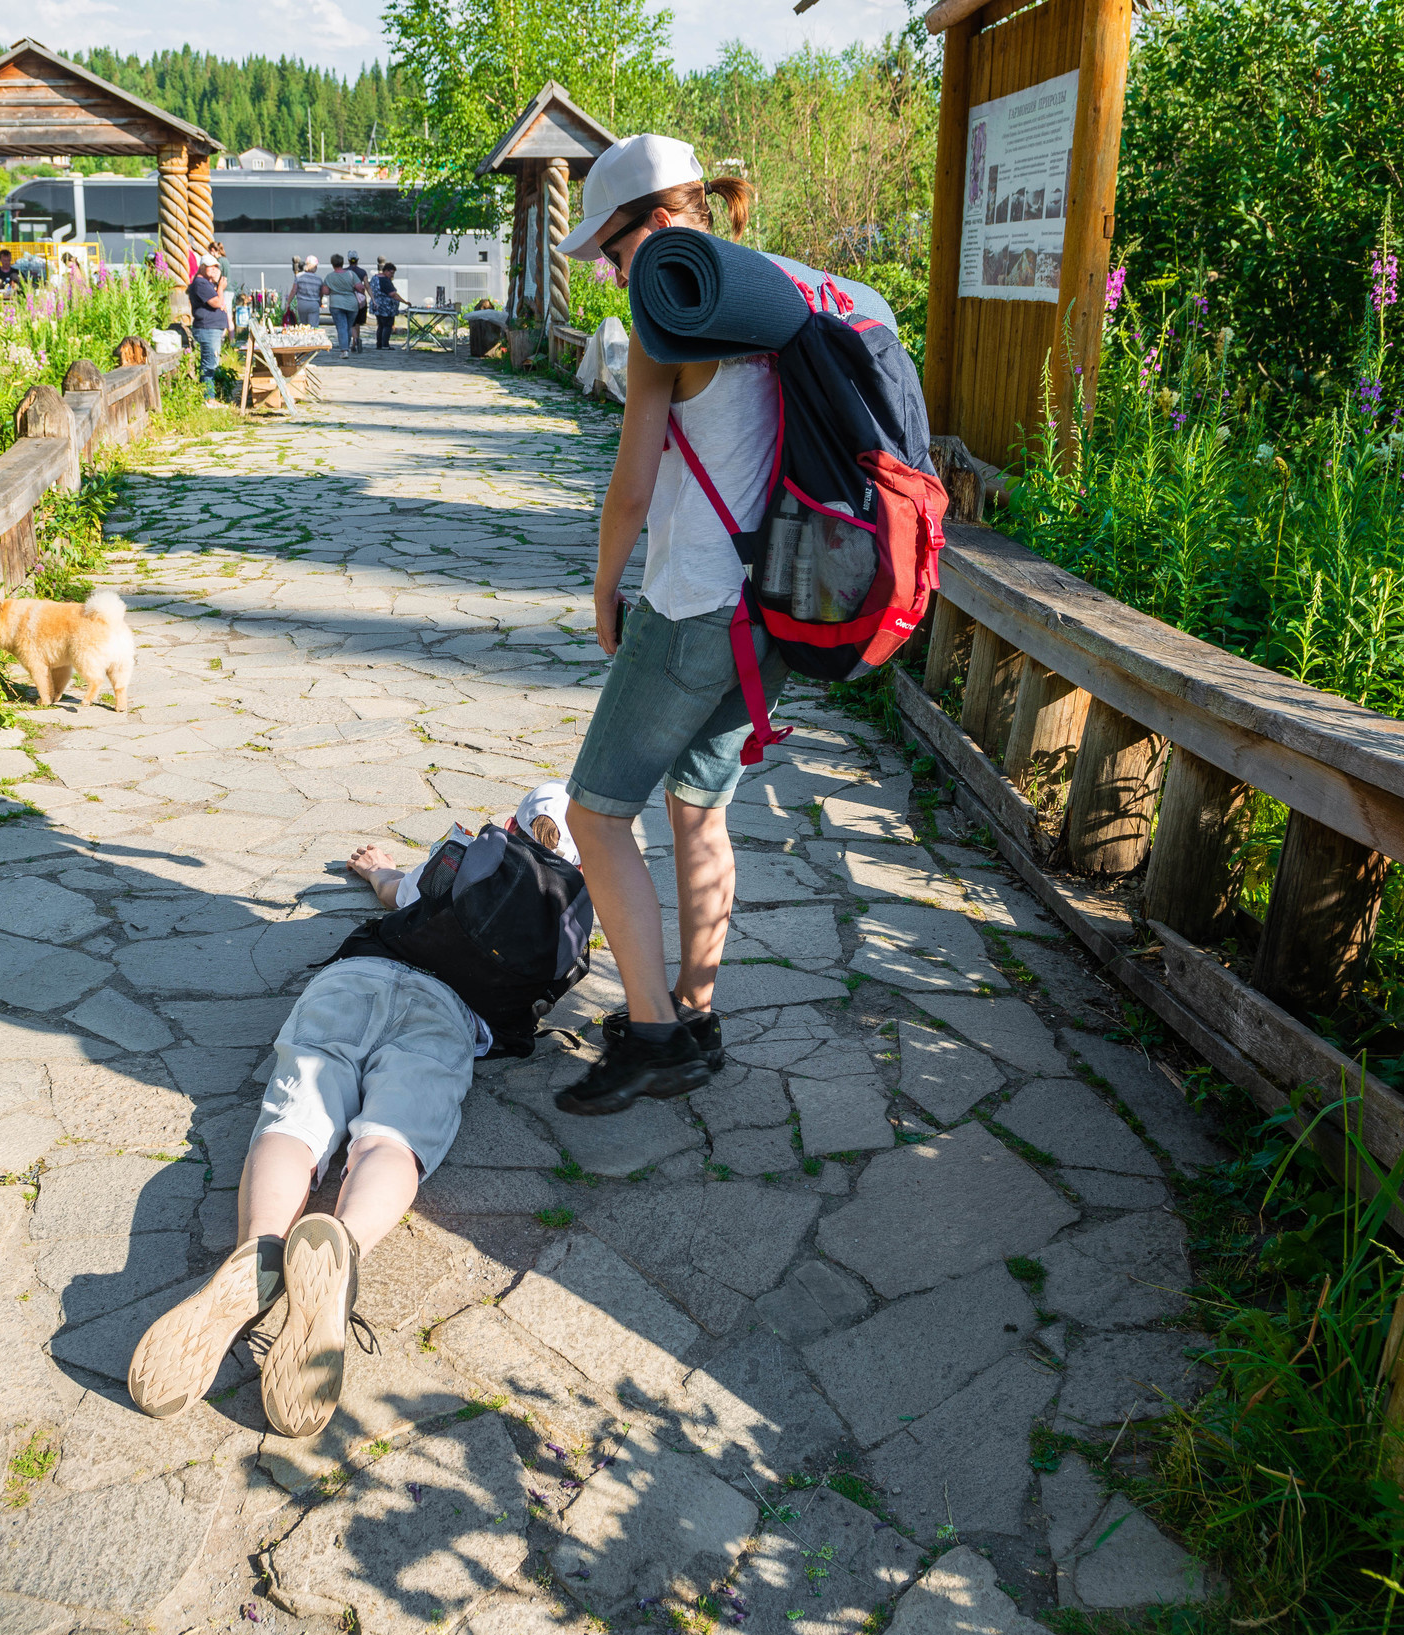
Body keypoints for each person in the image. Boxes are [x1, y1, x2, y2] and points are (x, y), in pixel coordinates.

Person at [547, 133, 898, 1116]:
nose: (616, 276)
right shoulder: (777, 297)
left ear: (653, 228)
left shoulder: (673, 317)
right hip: (780, 604)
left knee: (594, 810)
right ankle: (695, 1015)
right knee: (700, 808)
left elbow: (632, 482)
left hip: (693, 603)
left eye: (612, 254)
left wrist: (604, 585)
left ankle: (655, 1032)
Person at [125, 784, 583, 1438]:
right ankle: (342, 1244)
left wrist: (375, 867)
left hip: (356, 978)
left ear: (513, 823)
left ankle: (260, 1245)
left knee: (296, 1118)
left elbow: (400, 890)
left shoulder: (471, 851)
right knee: (390, 1144)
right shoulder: (565, 913)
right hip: (446, 1017)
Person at [189, 257, 231, 401]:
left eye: (215, 267)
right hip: (208, 329)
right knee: (208, 366)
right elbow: (216, 303)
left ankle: (210, 398)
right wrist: (220, 288)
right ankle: (209, 399)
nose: (213, 269)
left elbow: (220, 303)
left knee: (211, 364)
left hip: (213, 328)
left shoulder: (206, 283)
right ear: (201, 267)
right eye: (209, 266)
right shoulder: (200, 283)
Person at [323, 253, 360, 355]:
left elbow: (325, 291)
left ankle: (344, 350)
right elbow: (360, 287)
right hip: (352, 304)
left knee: (341, 327)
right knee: (348, 326)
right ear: (343, 263)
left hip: (336, 304)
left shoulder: (329, 277)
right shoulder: (351, 274)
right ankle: (346, 347)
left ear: (332, 264)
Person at [370, 261, 403, 350]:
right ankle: (385, 344)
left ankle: (379, 344)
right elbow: (393, 294)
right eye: (391, 273)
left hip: (376, 305)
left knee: (380, 325)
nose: (392, 275)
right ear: (386, 271)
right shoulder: (384, 280)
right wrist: (404, 302)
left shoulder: (375, 278)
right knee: (387, 325)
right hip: (386, 307)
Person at [288, 256, 325, 331]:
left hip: (302, 303)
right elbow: (321, 292)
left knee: (303, 325)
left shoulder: (299, 276)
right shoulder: (319, 279)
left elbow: (293, 291)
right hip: (314, 304)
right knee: (313, 327)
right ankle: (314, 341)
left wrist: (288, 302)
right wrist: (320, 301)